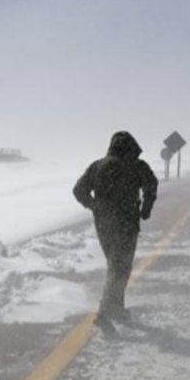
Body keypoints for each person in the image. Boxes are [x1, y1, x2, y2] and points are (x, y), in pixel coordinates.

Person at [73, 131, 158, 330]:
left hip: (103, 225)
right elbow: (151, 184)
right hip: (126, 223)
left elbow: (78, 190)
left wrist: (94, 206)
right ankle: (104, 310)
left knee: (115, 263)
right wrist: (146, 208)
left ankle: (117, 308)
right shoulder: (136, 166)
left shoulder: (97, 166)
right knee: (120, 267)